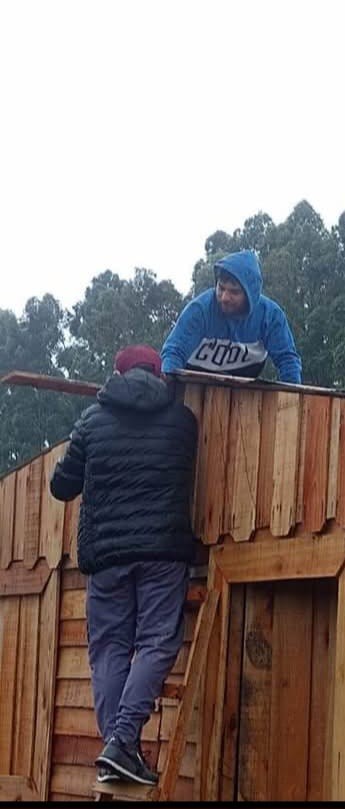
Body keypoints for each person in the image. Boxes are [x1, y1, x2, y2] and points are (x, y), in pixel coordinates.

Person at [50, 345, 198, 786]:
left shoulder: (93, 421)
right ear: (160, 375)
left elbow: (61, 486)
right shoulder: (183, 421)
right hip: (162, 553)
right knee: (156, 642)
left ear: (116, 374)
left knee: (110, 649)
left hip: (107, 557)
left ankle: (119, 744)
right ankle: (122, 744)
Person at [161, 249, 302, 383]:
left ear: (250, 295)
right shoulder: (199, 310)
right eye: (221, 288)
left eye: (234, 292)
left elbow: (287, 361)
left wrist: (294, 401)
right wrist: (168, 386)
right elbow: (174, 352)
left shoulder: (270, 316)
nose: (224, 297)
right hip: (193, 389)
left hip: (244, 395)